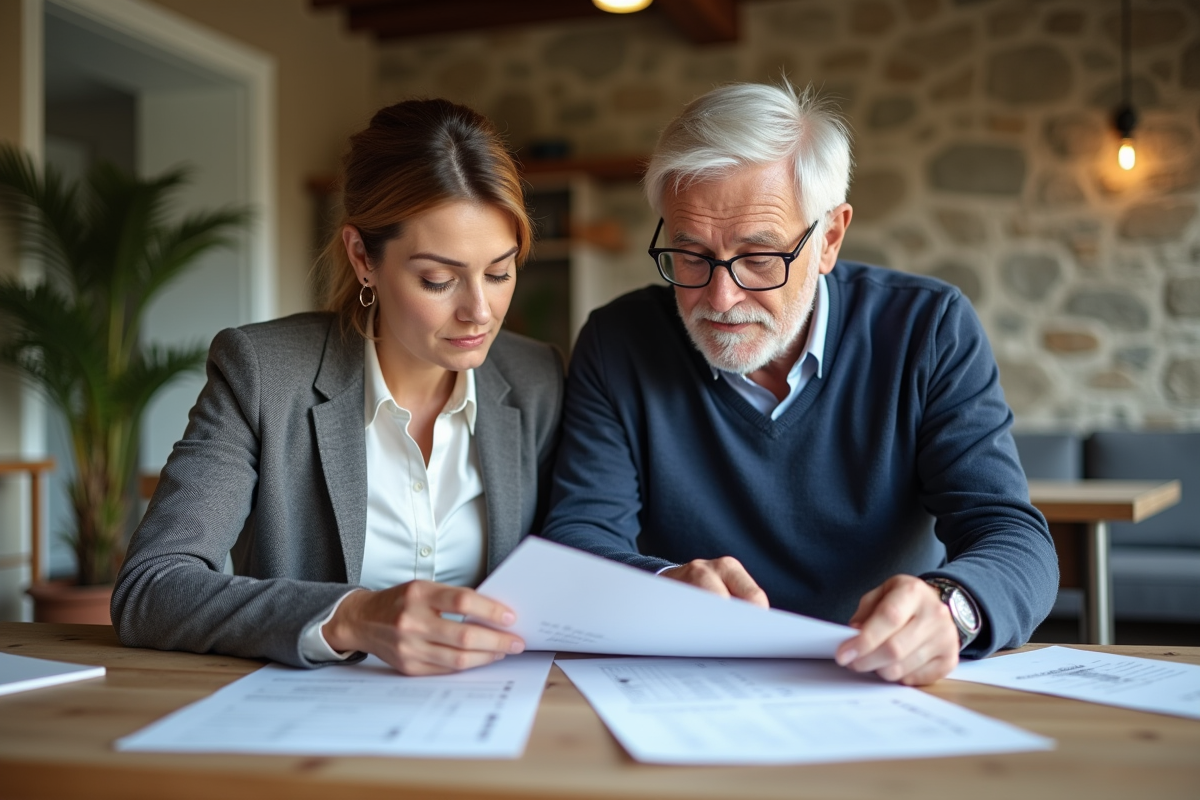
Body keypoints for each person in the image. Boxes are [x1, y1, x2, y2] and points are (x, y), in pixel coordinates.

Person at [540, 81, 1057, 686]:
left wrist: (953, 609)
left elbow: (1012, 535)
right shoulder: (618, 340)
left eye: (759, 257)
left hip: (876, 682)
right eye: (692, 255)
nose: (720, 297)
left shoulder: (927, 328)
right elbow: (577, 539)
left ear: (829, 238)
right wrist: (659, 586)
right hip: (690, 678)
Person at [112, 99, 563, 675]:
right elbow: (150, 589)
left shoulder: (537, 380)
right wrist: (352, 616)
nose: (481, 310)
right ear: (362, 257)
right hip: (309, 731)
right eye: (438, 279)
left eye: (500, 272)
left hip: (493, 715)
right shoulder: (262, 374)